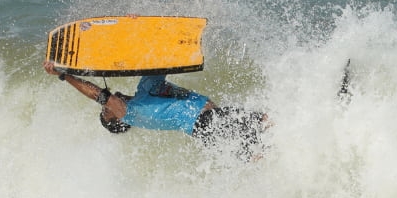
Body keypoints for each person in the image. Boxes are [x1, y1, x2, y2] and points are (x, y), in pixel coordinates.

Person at [43, 61, 269, 161]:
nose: (106, 107)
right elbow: (99, 95)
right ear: (119, 121)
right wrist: (65, 75)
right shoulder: (132, 113)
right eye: (106, 113)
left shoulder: (146, 87)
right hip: (207, 125)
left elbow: (158, 59)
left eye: (104, 110)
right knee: (268, 124)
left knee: (263, 152)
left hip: (211, 124)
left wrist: (135, 29)